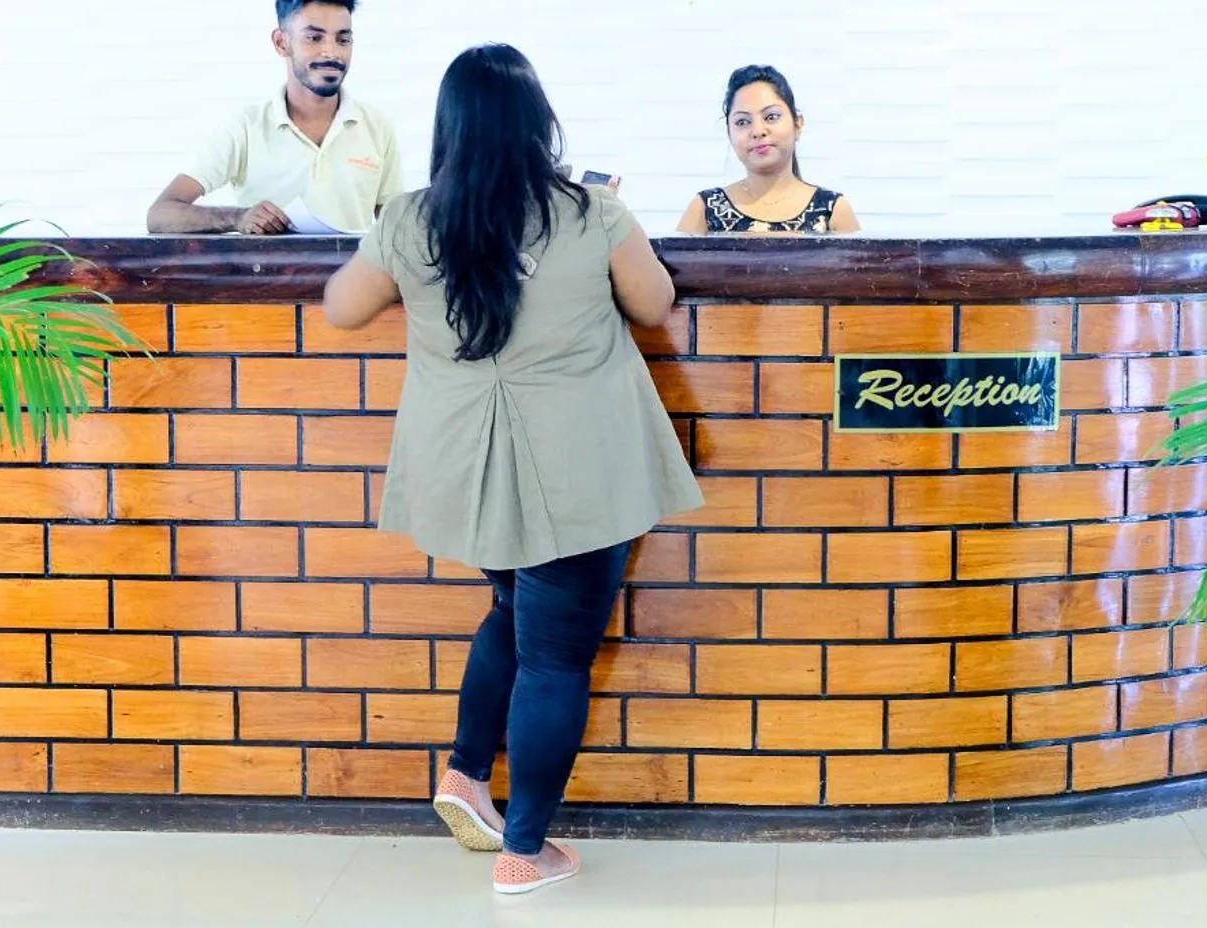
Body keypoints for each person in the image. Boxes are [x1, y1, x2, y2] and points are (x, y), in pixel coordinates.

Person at [323, 44, 702, 895]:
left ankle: (464, 775)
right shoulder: (591, 212)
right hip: (581, 469)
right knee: (556, 658)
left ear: (448, 128)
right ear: (539, 123)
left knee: (510, 608)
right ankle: (525, 852)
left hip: (470, 466)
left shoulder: (412, 219)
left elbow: (341, 308)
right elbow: (654, 303)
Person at [147, 0, 402, 234]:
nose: (332, 52)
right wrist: (238, 218)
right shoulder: (245, 128)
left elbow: (397, 229)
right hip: (269, 275)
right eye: (314, 38)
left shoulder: (378, 127)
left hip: (355, 274)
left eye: (343, 40)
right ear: (282, 43)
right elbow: (160, 215)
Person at [675, 64, 861, 234]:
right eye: (742, 122)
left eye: (771, 117)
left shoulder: (833, 210)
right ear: (729, 133)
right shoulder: (705, 208)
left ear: (798, 124)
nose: (757, 131)